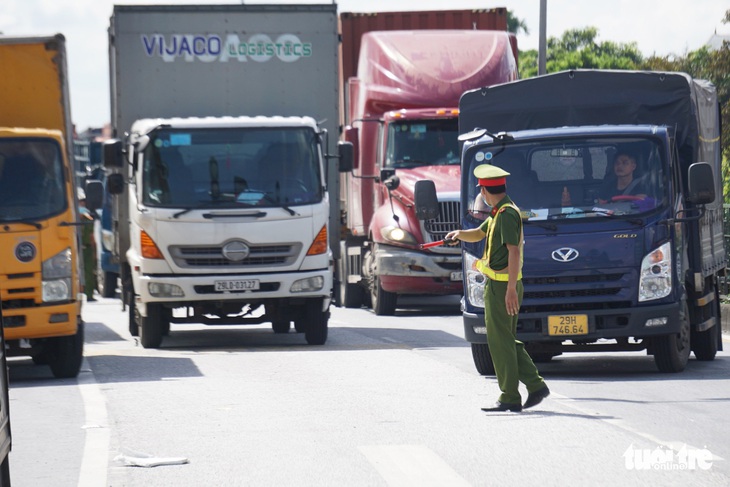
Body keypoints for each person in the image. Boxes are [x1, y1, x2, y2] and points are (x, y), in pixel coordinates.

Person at [446, 164, 549, 412]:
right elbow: (479, 234)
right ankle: (535, 386)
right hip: (500, 285)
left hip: (503, 287)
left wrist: (511, 289)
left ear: (484, 190)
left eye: (480, 189)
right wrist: (459, 234)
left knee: (499, 341)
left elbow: (514, 252)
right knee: (505, 340)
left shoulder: (506, 215)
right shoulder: (498, 212)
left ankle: (509, 396)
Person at [78, 189, 98, 302]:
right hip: (75, 250)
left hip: (87, 249)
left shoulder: (88, 220)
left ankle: (89, 295)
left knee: (89, 273)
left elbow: (92, 238)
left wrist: (94, 252)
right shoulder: (71, 220)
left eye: (84, 202)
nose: (82, 204)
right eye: (80, 202)